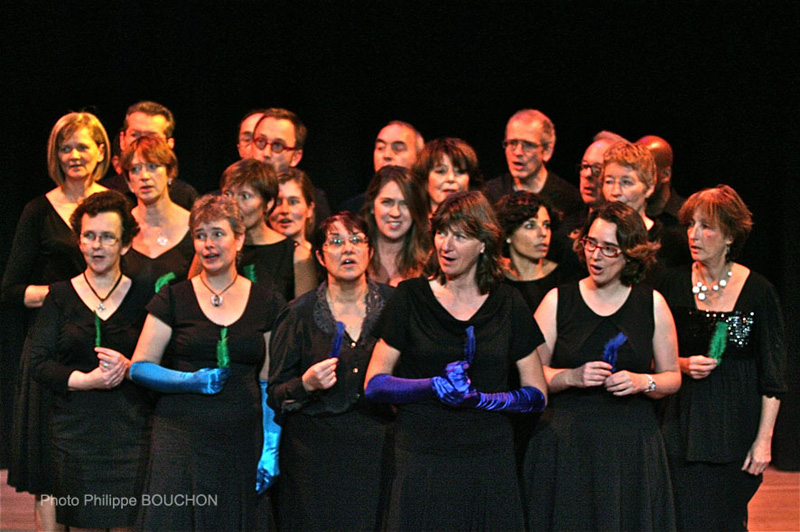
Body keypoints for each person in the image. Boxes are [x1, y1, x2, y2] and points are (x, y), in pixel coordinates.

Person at [364, 191, 548, 530]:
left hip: (488, 459)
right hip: (422, 456)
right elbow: (375, 384)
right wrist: (432, 386)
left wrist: (482, 399)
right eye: (441, 233)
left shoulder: (508, 302)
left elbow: (537, 394)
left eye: (460, 236)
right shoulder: (410, 297)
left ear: (483, 244)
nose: (446, 245)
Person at [118, 194, 287, 530]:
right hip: (180, 436)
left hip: (241, 439)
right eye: (200, 235)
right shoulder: (173, 297)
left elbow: (269, 381)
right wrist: (189, 381)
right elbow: (139, 367)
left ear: (239, 239)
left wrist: (271, 446)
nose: (208, 244)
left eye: (218, 234)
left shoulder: (267, 302)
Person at [524, 201, 681, 531]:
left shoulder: (652, 304)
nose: (595, 256)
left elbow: (672, 377)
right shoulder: (558, 300)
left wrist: (643, 382)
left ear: (630, 253)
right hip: (567, 446)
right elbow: (531, 377)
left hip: (631, 448)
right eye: (591, 244)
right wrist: (571, 376)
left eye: (609, 248)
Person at [3, 111, 110, 531]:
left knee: (98, 464)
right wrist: (67, 293)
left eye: (82, 146)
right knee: (49, 468)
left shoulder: (114, 205)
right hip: (51, 349)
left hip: (102, 344)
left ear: (101, 151)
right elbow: (12, 290)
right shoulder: (38, 210)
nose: (74, 155)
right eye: (65, 148)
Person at [658, 185, 786, 531]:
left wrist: (764, 440)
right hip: (680, 424)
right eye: (690, 225)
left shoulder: (759, 291)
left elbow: (772, 374)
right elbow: (648, 354)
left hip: (735, 427)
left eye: (706, 227)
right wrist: (681, 364)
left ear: (730, 236)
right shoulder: (670, 284)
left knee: (725, 521)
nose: (694, 235)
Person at [29, 191, 152, 529]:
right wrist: (87, 381)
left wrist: (130, 367)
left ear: (125, 244)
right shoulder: (60, 295)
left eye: (108, 237)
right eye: (89, 236)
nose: (97, 245)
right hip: (75, 436)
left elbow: (161, 363)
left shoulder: (145, 296)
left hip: (131, 436)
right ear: (79, 241)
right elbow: (38, 363)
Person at [268, 212, 395, 530]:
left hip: (380, 448)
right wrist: (305, 384)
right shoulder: (298, 313)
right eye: (336, 242)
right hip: (314, 457)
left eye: (356, 240)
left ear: (370, 250)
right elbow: (276, 393)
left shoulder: (394, 305)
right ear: (320, 256)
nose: (347, 249)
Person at [221, 158, 317, 300]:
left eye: (245, 196)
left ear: (268, 203)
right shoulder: (214, 245)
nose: (233, 204)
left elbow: (305, 311)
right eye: (228, 194)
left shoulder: (295, 255)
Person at [602, 141, 690, 283]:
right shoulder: (591, 238)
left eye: (626, 182)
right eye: (609, 181)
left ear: (649, 188)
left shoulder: (671, 244)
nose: (615, 191)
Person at [119, 135, 194, 293]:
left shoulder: (195, 226)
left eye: (153, 166)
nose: (144, 176)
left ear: (170, 173)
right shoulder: (120, 227)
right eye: (135, 169)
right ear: (128, 182)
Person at [99, 101, 198, 210]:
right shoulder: (104, 194)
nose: (142, 143)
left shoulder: (184, 197)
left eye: (152, 137)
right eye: (135, 135)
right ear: (122, 139)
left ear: (169, 144)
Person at [496, 191, 582, 315]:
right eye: (530, 226)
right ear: (508, 234)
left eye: (546, 225)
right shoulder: (495, 280)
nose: (543, 233)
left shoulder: (566, 280)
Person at [486, 109, 583, 219]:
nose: (518, 152)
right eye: (512, 143)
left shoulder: (568, 200)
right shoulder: (490, 194)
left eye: (528, 145)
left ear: (547, 151)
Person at [251, 108, 331, 224]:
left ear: (295, 157)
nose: (266, 153)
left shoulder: (312, 200)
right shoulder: (231, 195)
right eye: (261, 142)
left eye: (278, 146)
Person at [338, 120, 425, 213]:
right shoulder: (352, 210)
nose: (386, 155)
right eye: (380, 147)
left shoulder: (429, 205)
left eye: (398, 149)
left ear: (419, 156)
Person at [363, 165, 429, 286]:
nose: (395, 213)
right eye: (387, 202)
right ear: (372, 206)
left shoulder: (431, 263)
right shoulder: (355, 257)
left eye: (405, 204)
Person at [412, 138, 485, 215]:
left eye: (460, 172)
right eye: (441, 171)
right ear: (424, 179)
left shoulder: (483, 221)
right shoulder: (409, 220)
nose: (451, 178)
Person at [636, 135, 686, 226]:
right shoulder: (624, 215)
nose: (637, 178)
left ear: (666, 174)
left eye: (645, 170)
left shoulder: (687, 216)